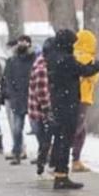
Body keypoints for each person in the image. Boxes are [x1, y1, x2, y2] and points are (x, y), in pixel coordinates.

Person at [47, 29, 99, 190]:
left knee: (59, 138)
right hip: (68, 102)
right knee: (66, 138)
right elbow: (85, 71)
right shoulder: (66, 59)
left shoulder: (53, 57)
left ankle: (59, 172)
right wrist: (97, 65)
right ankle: (61, 175)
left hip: (57, 101)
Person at [2, 35, 37, 164]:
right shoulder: (12, 61)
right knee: (17, 129)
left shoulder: (35, 59)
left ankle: (42, 153)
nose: (22, 44)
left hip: (32, 98)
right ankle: (17, 152)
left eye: (25, 42)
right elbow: (7, 79)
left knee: (37, 128)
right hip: (18, 98)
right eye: (20, 42)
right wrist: (10, 93)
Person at [72, 30, 99, 173]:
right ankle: (72, 159)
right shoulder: (89, 58)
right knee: (78, 129)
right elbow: (94, 78)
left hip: (72, 96)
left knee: (78, 128)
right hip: (84, 97)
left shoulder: (73, 56)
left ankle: (73, 159)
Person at [28, 37, 54, 176]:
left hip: (35, 111)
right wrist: (48, 109)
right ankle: (43, 164)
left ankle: (42, 162)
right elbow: (42, 92)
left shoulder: (38, 63)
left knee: (45, 140)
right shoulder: (43, 68)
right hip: (41, 111)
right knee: (46, 140)